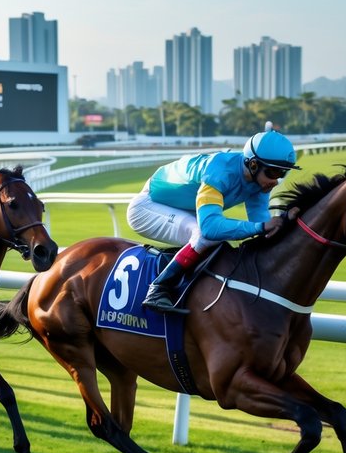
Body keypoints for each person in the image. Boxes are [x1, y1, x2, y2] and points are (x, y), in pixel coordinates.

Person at [126, 122, 299, 313]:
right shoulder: (219, 171)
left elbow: (263, 225)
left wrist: (286, 222)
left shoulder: (259, 183)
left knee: (217, 243)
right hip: (148, 207)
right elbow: (211, 227)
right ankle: (158, 289)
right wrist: (260, 227)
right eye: (273, 172)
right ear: (253, 164)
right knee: (205, 235)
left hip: (183, 209)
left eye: (282, 173)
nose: (276, 180)